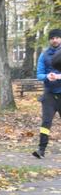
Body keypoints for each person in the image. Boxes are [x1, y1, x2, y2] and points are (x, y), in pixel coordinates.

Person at [32, 28, 61, 159]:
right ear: (49, 40)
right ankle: (41, 149)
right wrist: (46, 76)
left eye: (57, 37)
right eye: (52, 38)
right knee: (46, 123)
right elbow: (39, 74)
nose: (54, 40)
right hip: (49, 95)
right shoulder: (44, 55)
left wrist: (59, 77)